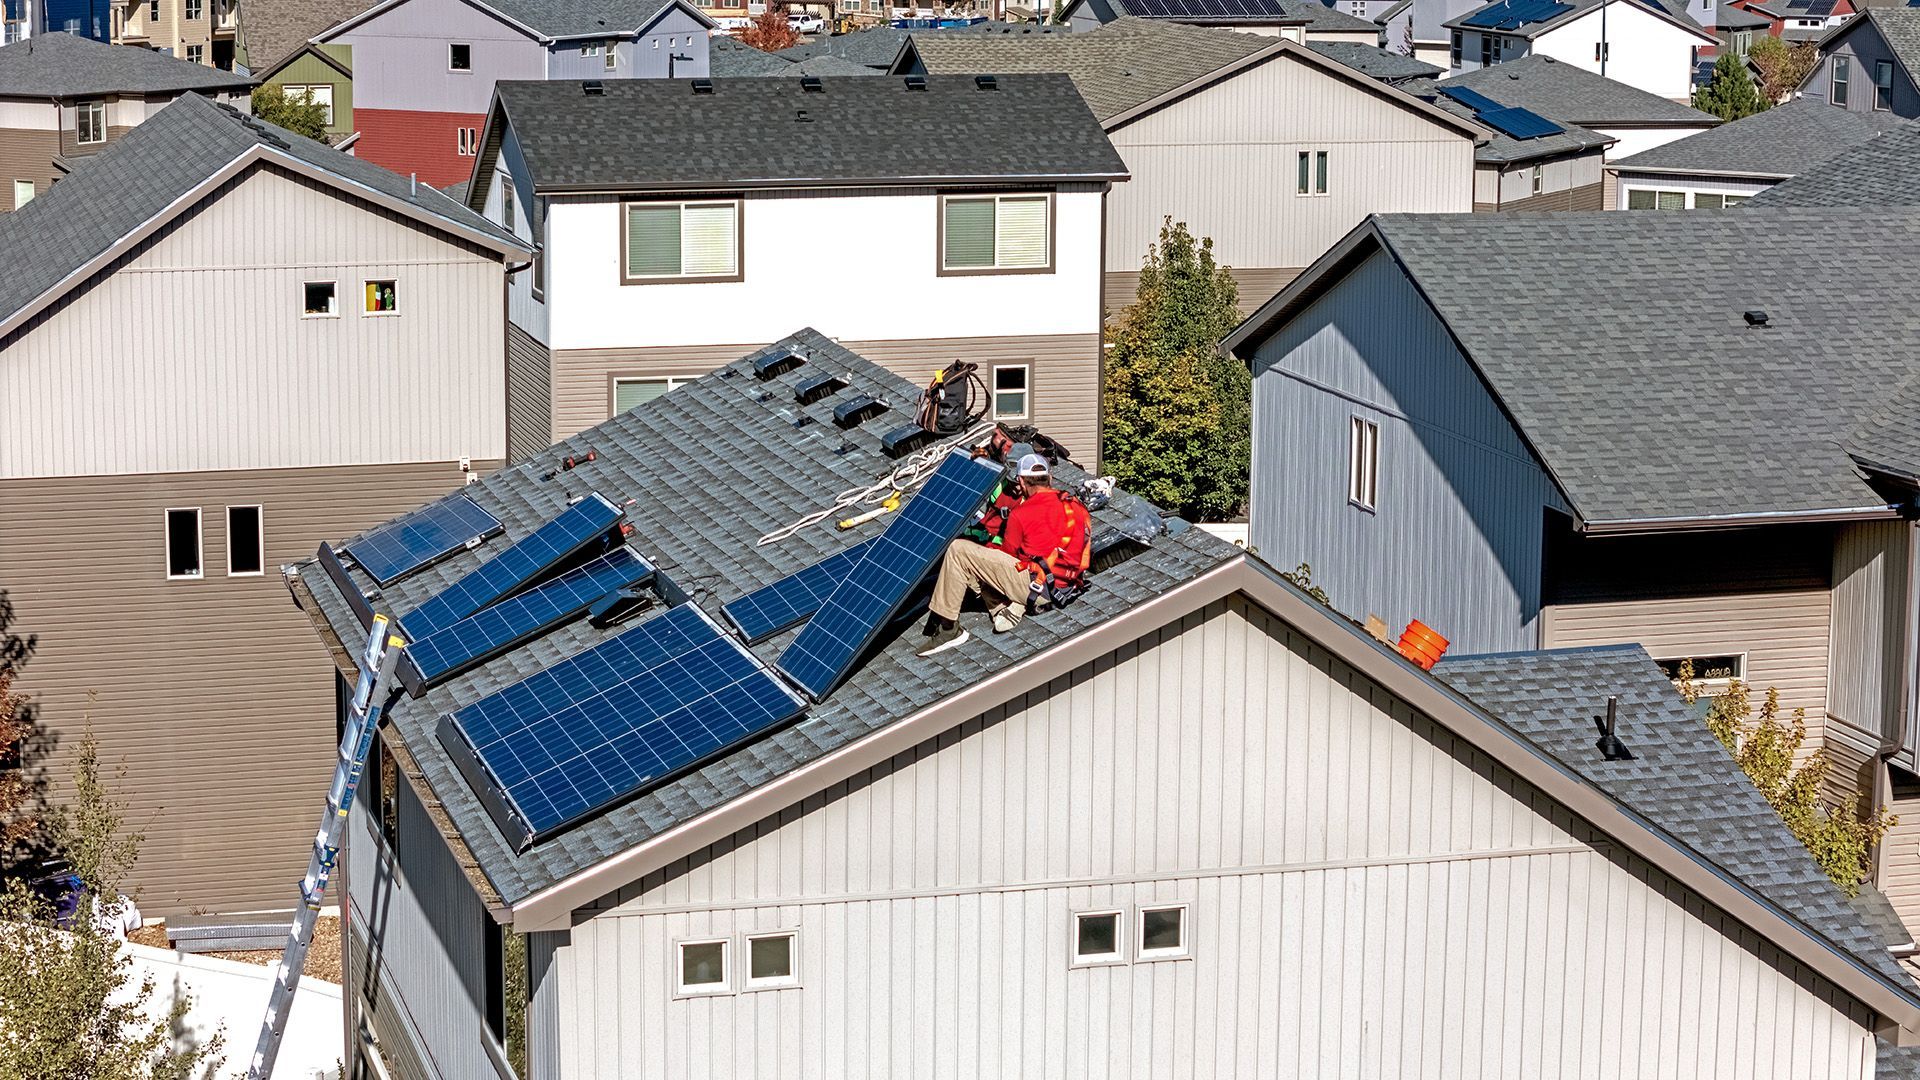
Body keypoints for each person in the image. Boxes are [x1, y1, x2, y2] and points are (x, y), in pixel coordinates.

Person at [918, 453, 1069, 656]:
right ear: (1049, 478)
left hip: (1037, 588)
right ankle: (1004, 607)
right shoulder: (1070, 504)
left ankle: (949, 630)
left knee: (959, 551)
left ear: (1022, 482)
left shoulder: (1021, 514)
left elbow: (1007, 557)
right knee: (972, 562)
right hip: (1065, 586)